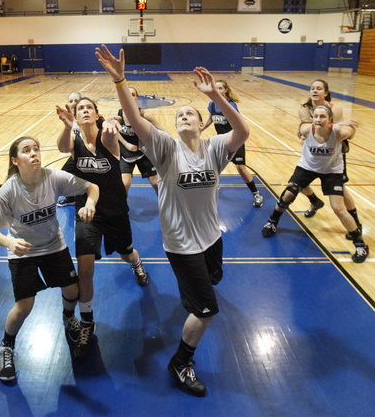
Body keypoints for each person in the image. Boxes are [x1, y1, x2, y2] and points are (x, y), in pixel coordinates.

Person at [96, 44, 249, 397]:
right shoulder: (165, 148)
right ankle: (181, 362)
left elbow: (242, 132)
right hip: (182, 244)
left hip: (212, 237)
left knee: (214, 279)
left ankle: (193, 296)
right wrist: (120, 80)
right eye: (179, 114)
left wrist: (217, 98)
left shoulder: (214, 149)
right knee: (207, 309)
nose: (183, 116)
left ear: (200, 123)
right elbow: (135, 120)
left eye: (190, 114)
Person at [0, 136, 99, 383]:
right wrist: (9, 242)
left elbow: (92, 187)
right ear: (15, 161)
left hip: (52, 246)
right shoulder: (9, 191)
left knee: (73, 291)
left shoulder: (53, 177)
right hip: (22, 251)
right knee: (24, 306)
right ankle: (6, 346)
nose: (34, 153)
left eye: (36, 148)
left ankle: (68, 317)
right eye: (27, 151)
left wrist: (90, 203)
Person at [56, 96, 150, 360]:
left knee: (126, 251)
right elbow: (63, 149)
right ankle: (87, 322)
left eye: (89, 108)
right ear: (75, 116)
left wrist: (111, 123)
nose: (85, 111)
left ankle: (136, 263)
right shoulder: (74, 141)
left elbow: (110, 132)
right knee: (85, 268)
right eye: (80, 109)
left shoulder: (107, 138)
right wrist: (67, 126)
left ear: (97, 114)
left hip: (115, 211)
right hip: (87, 212)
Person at [260, 106, 368, 263]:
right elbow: (301, 128)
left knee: (338, 207)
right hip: (307, 167)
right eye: (316, 116)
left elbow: (351, 132)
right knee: (289, 192)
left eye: (322, 116)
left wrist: (349, 124)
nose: (318, 119)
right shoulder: (306, 129)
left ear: (329, 119)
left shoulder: (339, 132)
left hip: (332, 171)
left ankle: (360, 245)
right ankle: (272, 222)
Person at [295, 80, 362, 233]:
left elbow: (339, 130)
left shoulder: (335, 109)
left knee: (341, 190)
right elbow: (307, 129)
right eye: (312, 88)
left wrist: (346, 124)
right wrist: (304, 136)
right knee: (299, 183)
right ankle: (315, 201)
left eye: (319, 88)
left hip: (333, 152)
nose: (315, 91)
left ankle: (356, 224)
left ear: (326, 93)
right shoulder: (305, 110)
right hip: (314, 151)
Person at [202, 80, 263, 207]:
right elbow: (210, 119)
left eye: (220, 88)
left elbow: (240, 124)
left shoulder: (231, 106)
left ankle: (256, 193)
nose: (218, 90)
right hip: (220, 142)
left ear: (226, 90)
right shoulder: (212, 105)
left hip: (235, 140)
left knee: (241, 168)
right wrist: (200, 129)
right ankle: (214, 187)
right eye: (216, 88)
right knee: (213, 166)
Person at [113, 86, 162, 195]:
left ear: (137, 98)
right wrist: (126, 144)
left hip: (144, 154)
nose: (130, 97)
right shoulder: (118, 116)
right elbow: (115, 132)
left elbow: (162, 130)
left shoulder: (144, 115)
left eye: (133, 95)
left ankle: (166, 205)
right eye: (127, 94)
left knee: (156, 183)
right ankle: (122, 209)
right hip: (125, 155)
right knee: (124, 184)